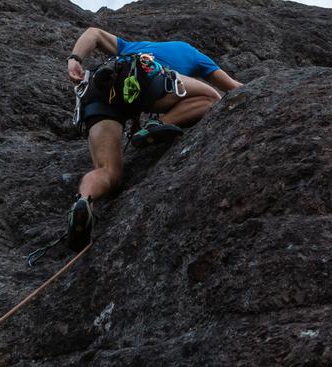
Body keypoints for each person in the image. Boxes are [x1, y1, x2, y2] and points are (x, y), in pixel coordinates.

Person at [64, 27, 243, 250]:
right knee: (212, 98)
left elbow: (94, 33)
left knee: (108, 171)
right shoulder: (193, 54)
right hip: (146, 78)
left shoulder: (132, 46)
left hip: (98, 93)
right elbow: (235, 90)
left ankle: (84, 199)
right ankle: (160, 124)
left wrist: (74, 60)